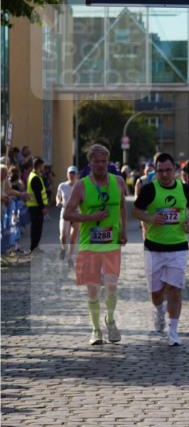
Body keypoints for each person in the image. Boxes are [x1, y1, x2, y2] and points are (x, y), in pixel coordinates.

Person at [64, 144, 127, 345]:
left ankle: (110, 319)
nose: (100, 165)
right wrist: (91, 216)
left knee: (111, 286)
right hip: (89, 245)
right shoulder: (81, 185)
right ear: (90, 163)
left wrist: (123, 229)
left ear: (108, 163)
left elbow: (122, 206)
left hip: (111, 244)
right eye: (96, 161)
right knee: (92, 290)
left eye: (103, 161)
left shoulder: (118, 181)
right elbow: (67, 213)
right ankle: (95, 329)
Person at [132, 152, 189, 345]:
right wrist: (150, 218)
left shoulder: (184, 190)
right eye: (161, 171)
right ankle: (159, 311)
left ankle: (173, 331)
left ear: (175, 170)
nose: (165, 175)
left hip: (178, 247)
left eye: (168, 170)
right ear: (156, 171)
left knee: (175, 290)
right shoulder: (149, 190)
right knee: (156, 293)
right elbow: (135, 210)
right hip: (154, 248)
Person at [56, 165, 79, 263]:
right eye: (70, 173)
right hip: (65, 212)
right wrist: (58, 201)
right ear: (67, 174)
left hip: (76, 213)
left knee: (73, 237)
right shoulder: (62, 185)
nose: (72, 175)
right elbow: (58, 196)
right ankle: (63, 249)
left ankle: (70, 257)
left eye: (74, 173)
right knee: (63, 235)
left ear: (76, 175)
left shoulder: (80, 186)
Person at [26, 157, 49, 252]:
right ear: (39, 166)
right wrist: (42, 207)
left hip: (34, 206)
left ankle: (35, 247)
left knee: (36, 228)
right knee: (37, 229)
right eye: (42, 165)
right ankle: (34, 248)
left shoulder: (33, 175)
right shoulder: (35, 177)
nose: (43, 167)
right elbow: (38, 194)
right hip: (36, 207)